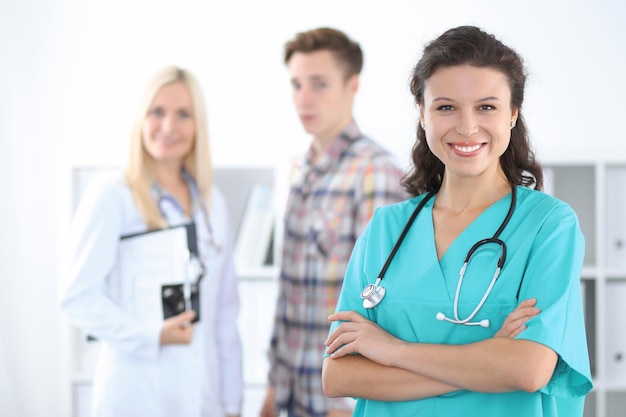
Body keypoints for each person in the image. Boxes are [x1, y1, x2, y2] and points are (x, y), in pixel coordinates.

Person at [322, 25, 593, 417]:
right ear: (422, 113)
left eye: (487, 107)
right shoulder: (386, 230)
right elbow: (339, 376)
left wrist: (391, 351)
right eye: (446, 107)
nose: (467, 127)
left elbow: (529, 368)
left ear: (513, 114)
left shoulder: (549, 226)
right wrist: (486, 361)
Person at [59, 66, 243, 417]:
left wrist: (232, 404)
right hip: (135, 393)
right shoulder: (111, 196)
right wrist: (151, 335)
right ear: (140, 119)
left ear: (198, 125)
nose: (169, 127)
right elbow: (76, 297)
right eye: (157, 112)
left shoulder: (212, 203)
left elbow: (225, 314)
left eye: (183, 115)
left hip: (205, 397)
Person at [260, 27, 406, 417]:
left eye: (319, 84)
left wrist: (351, 396)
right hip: (293, 389)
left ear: (352, 85)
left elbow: (381, 297)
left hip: (339, 397)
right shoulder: (300, 170)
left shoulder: (376, 171)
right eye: (297, 84)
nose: (303, 98)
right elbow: (289, 291)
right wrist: (274, 384)